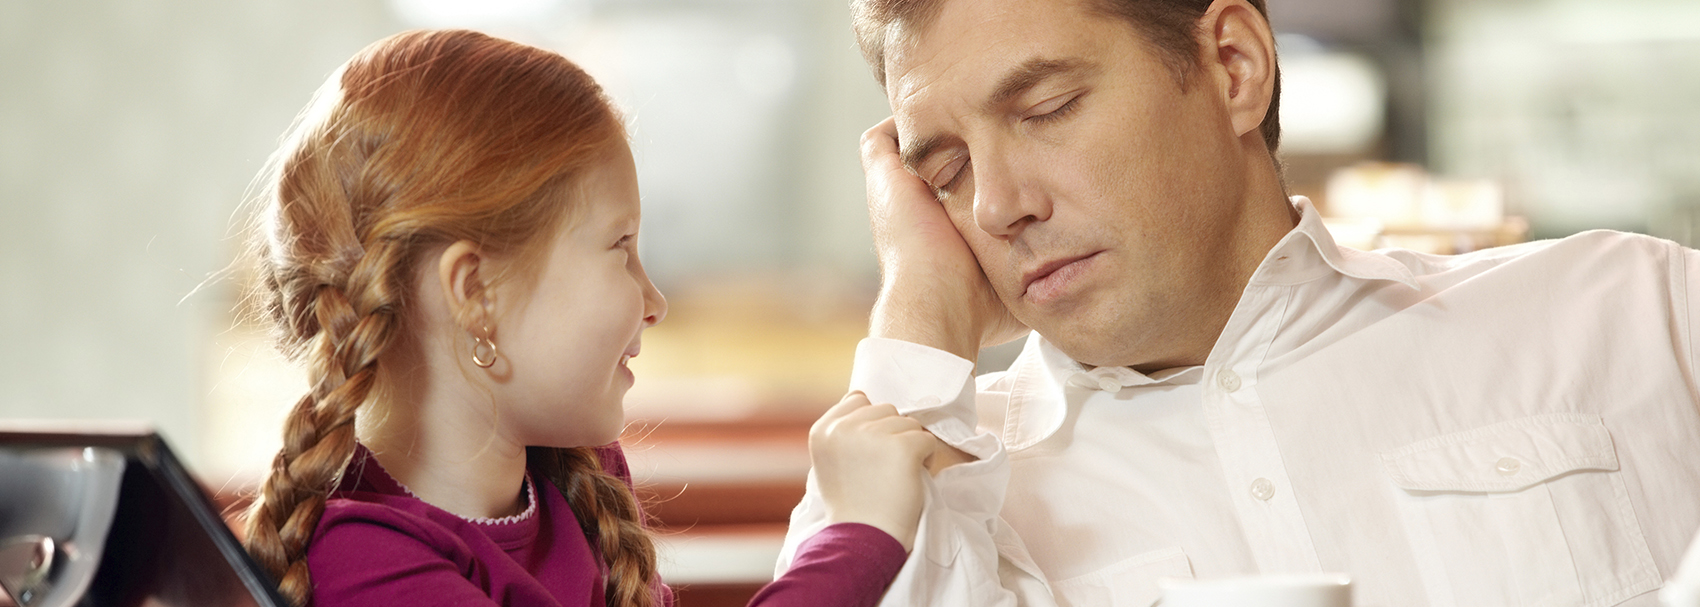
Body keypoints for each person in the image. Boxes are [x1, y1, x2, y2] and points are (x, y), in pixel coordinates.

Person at [775, 0, 1700, 605]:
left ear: (1232, 66)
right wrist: (917, 318)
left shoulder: (1635, 312)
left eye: (1049, 107)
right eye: (945, 170)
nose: (996, 204)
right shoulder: (937, 488)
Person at [238, 29, 946, 607]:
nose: (654, 299)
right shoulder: (363, 564)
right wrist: (856, 532)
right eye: (621, 248)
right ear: (474, 291)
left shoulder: (574, 483)